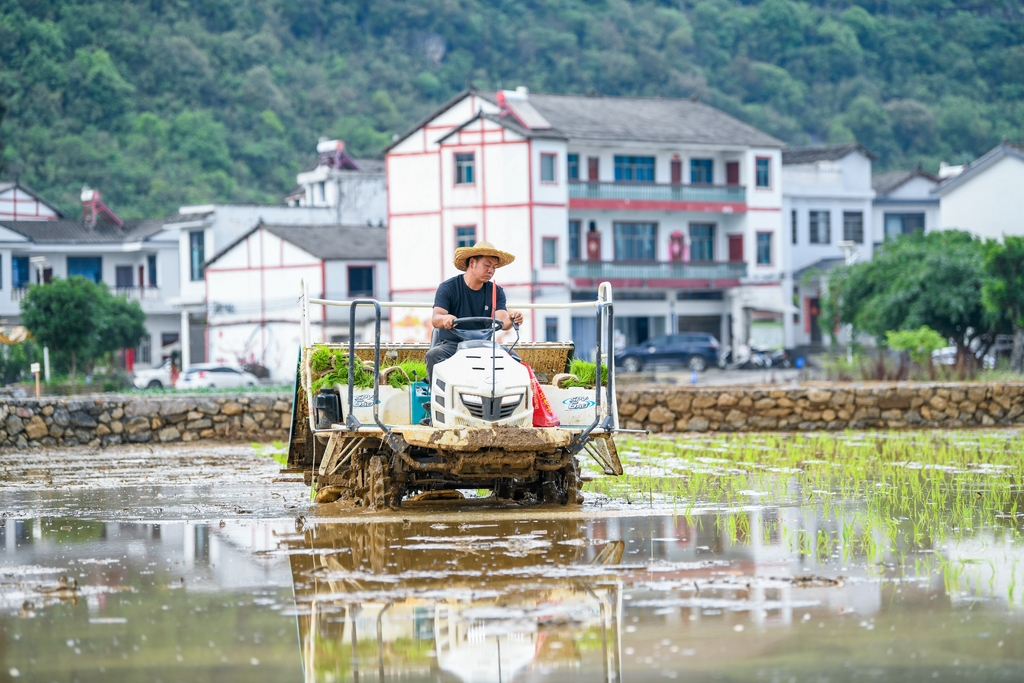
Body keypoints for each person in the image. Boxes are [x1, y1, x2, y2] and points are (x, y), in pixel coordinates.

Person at [425, 242, 524, 387]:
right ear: (472, 263)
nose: (491, 270)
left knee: (513, 357)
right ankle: (436, 397)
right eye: (487, 265)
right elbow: (436, 318)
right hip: (453, 344)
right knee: (433, 355)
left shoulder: (496, 291)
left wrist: (513, 319)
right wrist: (445, 318)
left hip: (484, 345)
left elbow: (503, 320)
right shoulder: (448, 287)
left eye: (494, 267)